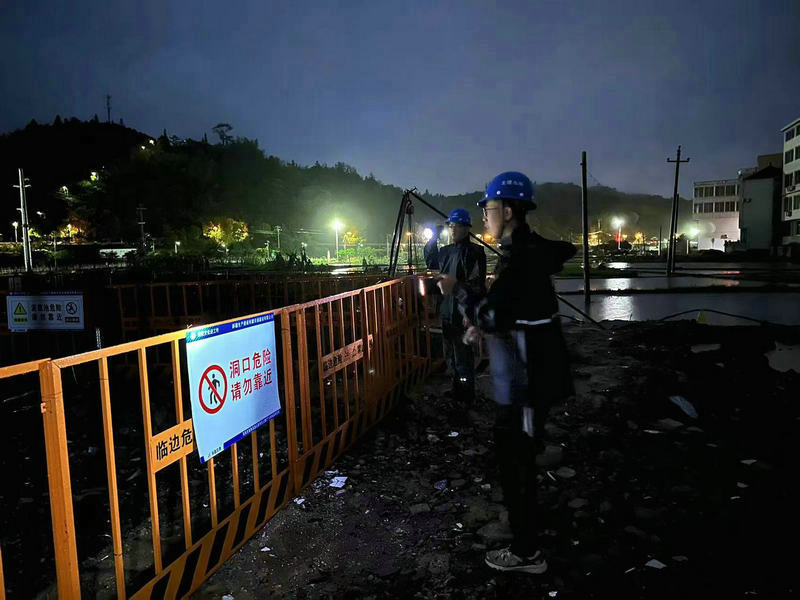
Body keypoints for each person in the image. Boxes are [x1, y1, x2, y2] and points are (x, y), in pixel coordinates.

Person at [439, 171, 575, 574]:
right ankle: (523, 532)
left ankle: (527, 552)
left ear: (509, 211)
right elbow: (511, 313)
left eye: (490, 208)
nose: (485, 216)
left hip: (527, 383)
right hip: (518, 379)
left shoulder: (521, 261)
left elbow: (495, 312)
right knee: (514, 456)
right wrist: (483, 325)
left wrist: (457, 291)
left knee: (518, 463)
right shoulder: (523, 254)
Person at [424, 207, 486, 405]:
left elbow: (477, 286)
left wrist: (469, 312)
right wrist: (433, 238)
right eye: (451, 226)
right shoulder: (446, 251)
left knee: (463, 356)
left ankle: (466, 395)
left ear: (467, 228)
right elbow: (431, 261)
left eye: (457, 226)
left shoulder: (475, 252)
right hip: (447, 311)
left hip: (462, 312)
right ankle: (456, 389)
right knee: (450, 353)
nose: (453, 230)